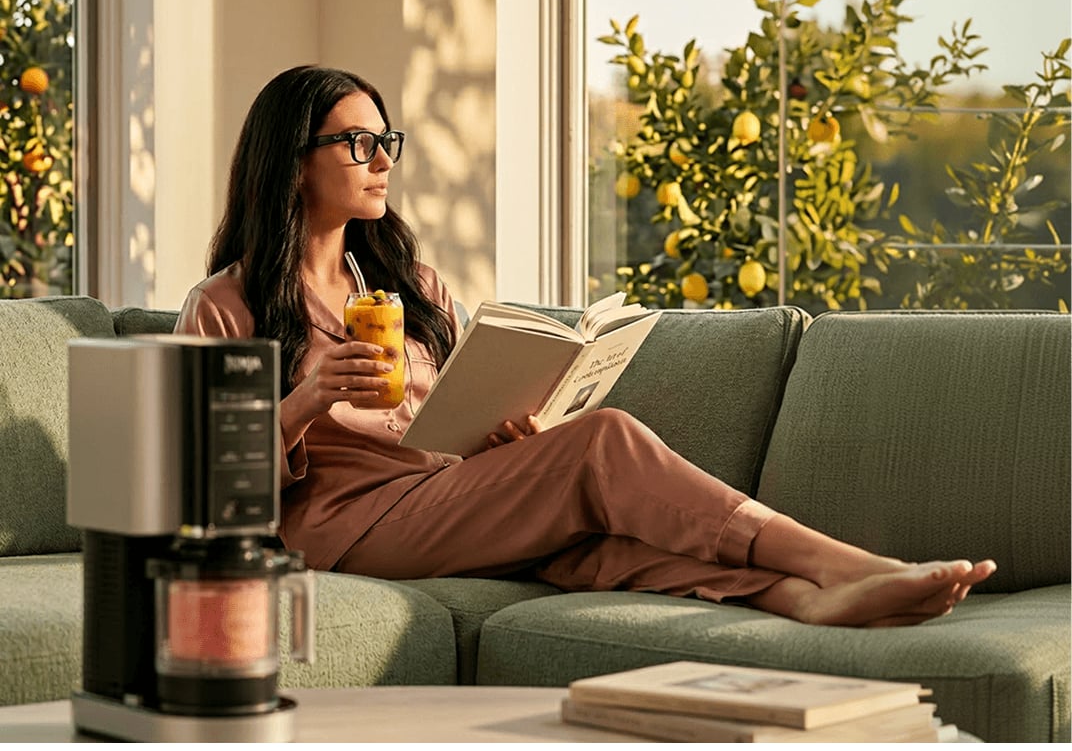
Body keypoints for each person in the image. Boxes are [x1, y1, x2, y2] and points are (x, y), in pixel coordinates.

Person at [175, 65, 996, 628]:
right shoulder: (224, 305)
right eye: (357, 142)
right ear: (291, 164)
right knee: (603, 445)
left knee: (593, 541)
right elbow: (196, 495)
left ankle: (795, 597)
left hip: (445, 496)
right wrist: (305, 399)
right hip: (344, 530)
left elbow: (446, 421)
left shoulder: (409, 283)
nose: (383, 159)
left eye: (387, 138)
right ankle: (841, 563)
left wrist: (503, 436)